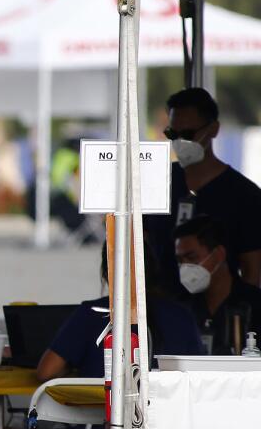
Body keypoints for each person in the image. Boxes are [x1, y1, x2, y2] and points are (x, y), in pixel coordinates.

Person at [144, 87, 261, 291]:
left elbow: (252, 269)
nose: (180, 142)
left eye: (188, 133)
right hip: (159, 310)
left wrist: (241, 315)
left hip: (219, 312)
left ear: (213, 129)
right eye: (173, 134)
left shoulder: (244, 195)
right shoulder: (156, 182)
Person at [37, 241, 203, 383]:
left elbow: (47, 371)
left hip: (100, 416)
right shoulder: (181, 316)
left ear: (105, 272)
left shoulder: (92, 313)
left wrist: (72, 370)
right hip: (164, 417)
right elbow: (198, 376)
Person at [174, 216, 261, 355]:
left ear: (219, 254)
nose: (185, 267)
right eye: (180, 261)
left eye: (192, 258)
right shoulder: (181, 309)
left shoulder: (254, 304)